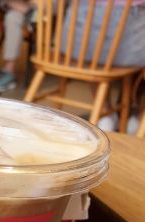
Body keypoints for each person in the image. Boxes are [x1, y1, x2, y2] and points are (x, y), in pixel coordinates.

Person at [61, 0, 145, 132]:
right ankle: (131, 111)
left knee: (90, 58)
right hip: (131, 37)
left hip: (80, 40)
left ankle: (105, 111)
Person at [0, 0, 35, 93]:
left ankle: (28, 10)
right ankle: (9, 72)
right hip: (24, 8)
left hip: (49, 8)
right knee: (12, 17)